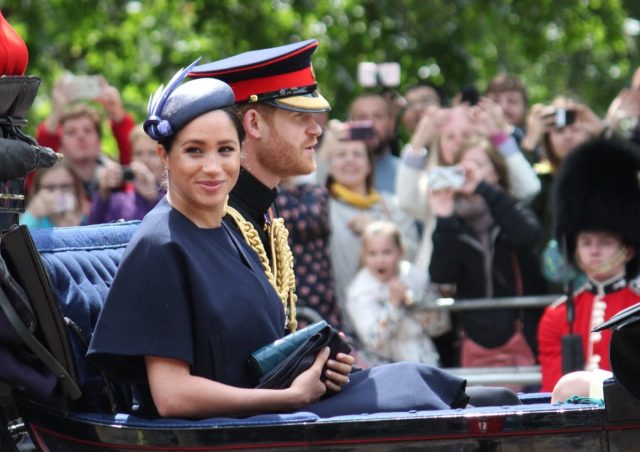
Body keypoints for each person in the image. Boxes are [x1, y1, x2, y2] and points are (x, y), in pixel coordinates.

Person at [87, 61, 480, 420]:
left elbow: (253, 355)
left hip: (276, 416)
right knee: (422, 397)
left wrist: (315, 362)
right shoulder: (161, 243)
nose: (213, 167)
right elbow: (172, 396)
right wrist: (289, 397)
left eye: (225, 150)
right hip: (240, 432)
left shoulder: (228, 229)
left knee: (436, 386)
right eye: (194, 151)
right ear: (164, 155)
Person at [189, 39, 330, 332]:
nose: (316, 129)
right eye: (299, 116)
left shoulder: (257, 212)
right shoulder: (214, 222)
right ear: (253, 123)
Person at [428, 136, 546, 368]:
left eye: (479, 166)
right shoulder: (453, 222)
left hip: (524, 338)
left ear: (497, 172)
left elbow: (528, 236)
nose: (470, 172)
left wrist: (483, 189)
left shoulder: (511, 208)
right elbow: (441, 275)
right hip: (471, 341)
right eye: (464, 167)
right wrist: (444, 218)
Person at [537, 137, 640, 393]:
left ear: (627, 251)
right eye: (586, 242)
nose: (594, 250)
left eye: (605, 242)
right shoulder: (557, 315)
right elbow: (554, 389)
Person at [321, 120, 419, 311]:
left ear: (369, 165)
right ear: (330, 166)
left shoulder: (391, 206)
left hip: (394, 314)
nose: (349, 160)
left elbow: (413, 253)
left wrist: (377, 230)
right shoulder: (321, 206)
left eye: (357, 154)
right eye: (340, 155)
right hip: (341, 312)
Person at [346, 220, 441, 366]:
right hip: (385, 366)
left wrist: (415, 303)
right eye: (372, 253)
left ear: (400, 251)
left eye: (387, 252)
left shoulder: (416, 277)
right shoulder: (360, 290)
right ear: (363, 256)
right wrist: (393, 305)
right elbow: (374, 340)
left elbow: (439, 326)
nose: (380, 260)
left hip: (423, 358)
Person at [88, 125, 163, 224]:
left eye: (152, 153)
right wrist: (103, 195)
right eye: (138, 153)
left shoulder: (176, 198)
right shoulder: (121, 201)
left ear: (165, 157)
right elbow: (94, 231)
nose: (145, 160)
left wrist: (153, 198)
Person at [348, 92, 399, 194]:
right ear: (350, 124)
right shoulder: (333, 173)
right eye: (362, 117)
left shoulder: (406, 174)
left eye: (378, 116)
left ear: (391, 124)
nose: (370, 123)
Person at [20, 160, 88, 229]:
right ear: (37, 191)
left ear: (76, 189)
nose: (58, 194)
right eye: (50, 187)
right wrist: (32, 216)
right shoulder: (32, 220)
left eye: (65, 186)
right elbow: (15, 238)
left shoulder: (88, 219)